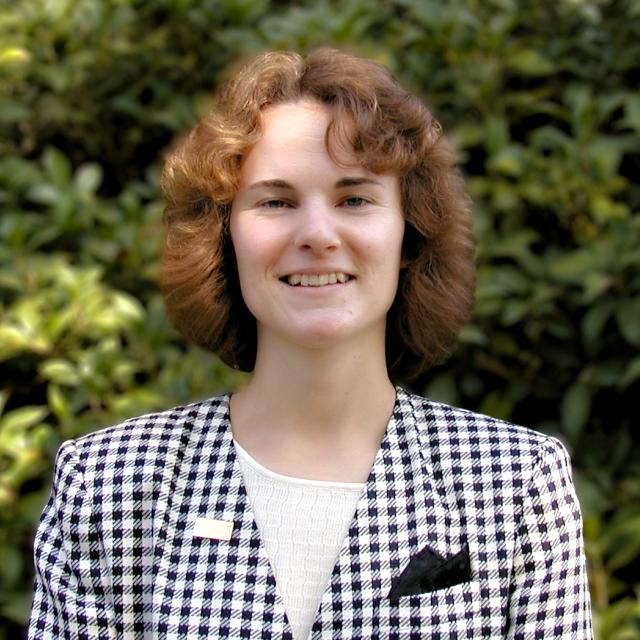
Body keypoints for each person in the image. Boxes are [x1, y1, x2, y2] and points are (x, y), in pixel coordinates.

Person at [28, 49, 593, 639]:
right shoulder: (110, 487)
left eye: (355, 199)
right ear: (224, 237)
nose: (318, 235)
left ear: (408, 235)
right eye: (276, 201)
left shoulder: (515, 484)